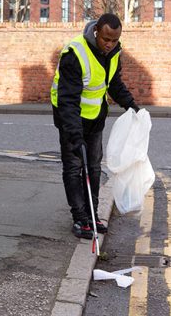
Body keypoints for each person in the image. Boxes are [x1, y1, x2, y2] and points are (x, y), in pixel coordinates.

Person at [51, 13, 139, 239]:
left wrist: (132, 106)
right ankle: (80, 219)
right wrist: (74, 134)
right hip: (70, 117)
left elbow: (114, 83)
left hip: (95, 118)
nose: (109, 44)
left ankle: (91, 215)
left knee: (94, 168)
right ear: (97, 31)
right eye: (106, 39)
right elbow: (67, 100)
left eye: (114, 40)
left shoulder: (114, 53)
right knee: (73, 167)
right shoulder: (75, 53)